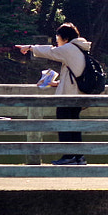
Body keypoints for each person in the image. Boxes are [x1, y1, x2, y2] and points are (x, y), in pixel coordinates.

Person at [17, 22, 95, 166]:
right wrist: (57, 83)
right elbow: (74, 75)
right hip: (77, 94)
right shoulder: (80, 48)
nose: (57, 42)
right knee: (74, 126)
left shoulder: (70, 48)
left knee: (64, 125)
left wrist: (30, 47)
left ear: (64, 38)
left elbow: (50, 51)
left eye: (58, 38)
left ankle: (69, 156)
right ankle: (79, 157)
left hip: (68, 97)